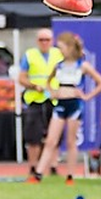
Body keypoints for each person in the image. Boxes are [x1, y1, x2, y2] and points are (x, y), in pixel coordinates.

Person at [32, 32, 101, 183]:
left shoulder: (82, 65)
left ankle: (70, 175)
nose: (60, 51)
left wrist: (87, 96)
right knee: (51, 140)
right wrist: (51, 92)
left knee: (71, 141)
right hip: (60, 103)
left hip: (75, 104)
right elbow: (48, 81)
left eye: (62, 48)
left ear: (70, 47)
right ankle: (38, 173)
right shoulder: (59, 65)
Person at [18, 28, 63, 174]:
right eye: (41, 40)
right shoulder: (30, 55)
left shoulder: (59, 54)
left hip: (54, 99)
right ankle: (33, 166)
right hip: (35, 98)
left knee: (54, 134)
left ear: (52, 41)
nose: (44, 43)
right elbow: (21, 77)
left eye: (47, 40)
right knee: (33, 135)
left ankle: (54, 165)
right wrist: (33, 85)